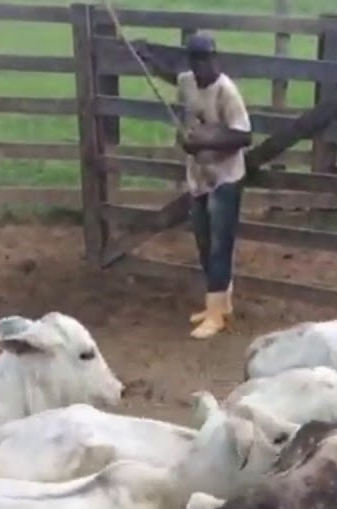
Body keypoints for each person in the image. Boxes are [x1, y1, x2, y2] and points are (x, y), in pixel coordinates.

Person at [131, 33, 252, 340]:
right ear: (192, 61)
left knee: (219, 246)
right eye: (197, 59)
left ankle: (215, 315)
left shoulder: (226, 91)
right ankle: (219, 304)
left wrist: (204, 141)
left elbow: (243, 136)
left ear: (215, 58)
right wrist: (148, 58)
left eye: (207, 58)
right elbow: (173, 76)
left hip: (224, 177)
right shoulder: (187, 80)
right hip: (199, 177)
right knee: (203, 242)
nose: (203, 65)